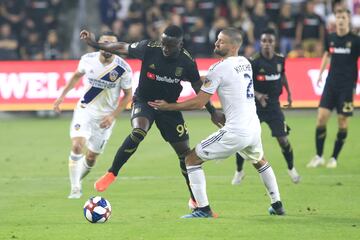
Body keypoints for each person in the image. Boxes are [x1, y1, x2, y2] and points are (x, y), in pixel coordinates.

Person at [80, 25, 223, 209]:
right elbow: (121, 47)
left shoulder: (187, 62)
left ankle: (195, 199)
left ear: (180, 44)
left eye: (170, 45)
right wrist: (94, 43)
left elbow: (198, 87)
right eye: (163, 43)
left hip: (169, 108)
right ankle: (112, 173)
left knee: (185, 155)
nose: (165, 48)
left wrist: (213, 112)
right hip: (144, 101)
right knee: (139, 130)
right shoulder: (149, 48)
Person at [149, 27, 285, 218]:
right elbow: (221, 80)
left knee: (190, 159)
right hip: (252, 128)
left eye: (220, 41)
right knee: (259, 161)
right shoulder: (244, 62)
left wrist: (168, 106)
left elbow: (199, 102)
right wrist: (187, 76)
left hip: (235, 131)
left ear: (233, 45)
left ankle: (203, 209)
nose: (216, 43)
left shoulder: (219, 68)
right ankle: (277, 204)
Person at [53, 32, 133, 199]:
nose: (108, 46)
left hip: (105, 118)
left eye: (112, 44)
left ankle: (77, 180)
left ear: (117, 47)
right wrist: (61, 97)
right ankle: (75, 188)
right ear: (99, 44)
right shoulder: (88, 59)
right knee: (77, 146)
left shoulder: (123, 68)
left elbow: (127, 95)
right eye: (105, 43)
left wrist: (113, 116)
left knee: (91, 157)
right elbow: (76, 76)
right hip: (85, 109)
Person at [231, 28, 300, 186]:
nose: (267, 44)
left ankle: (291, 169)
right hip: (255, 107)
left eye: (270, 41)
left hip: (274, 107)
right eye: (264, 41)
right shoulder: (253, 61)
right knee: (243, 139)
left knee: (283, 140)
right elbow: (245, 83)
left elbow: (283, 75)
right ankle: (239, 171)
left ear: (274, 43)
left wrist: (289, 94)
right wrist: (258, 95)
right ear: (260, 43)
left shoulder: (280, 59)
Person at [307, 8, 360, 168]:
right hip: (331, 84)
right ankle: (319, 156)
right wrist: (321, 73)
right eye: (338, 17)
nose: (341, 20)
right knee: (321, 118)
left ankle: (334, 158)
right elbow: (327, 55)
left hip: (346, 87)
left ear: (348, 20)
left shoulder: (356, 40)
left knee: (342, 122)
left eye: (343, 17)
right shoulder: (331, 38)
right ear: (335, 20)